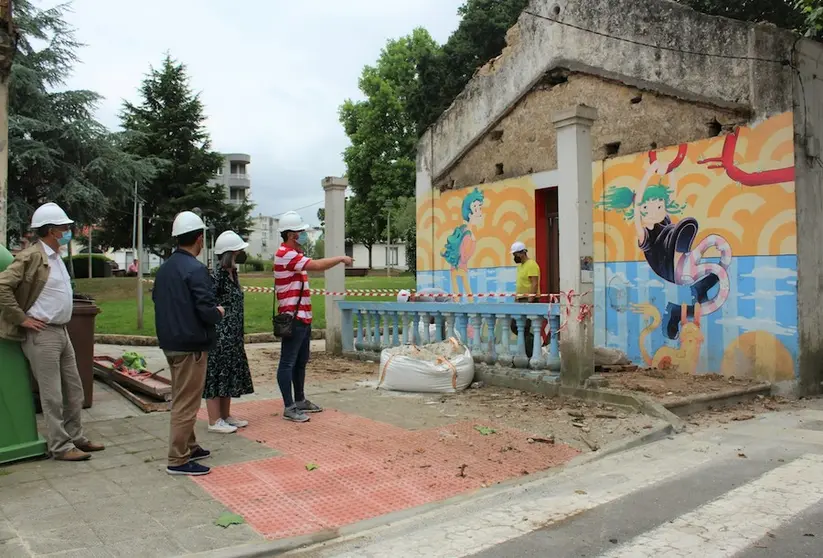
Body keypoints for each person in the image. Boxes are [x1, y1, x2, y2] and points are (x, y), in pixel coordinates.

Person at [0, 203, 105, 461]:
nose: (69, 230)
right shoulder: (32, 256)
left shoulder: (55, 256)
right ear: (51, 230)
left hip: (61, 330)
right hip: (41, 333)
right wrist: (21, 318)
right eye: (64, 227)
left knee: (74, 388)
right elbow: (2, 285)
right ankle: (60, 446)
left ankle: (75, 437)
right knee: (52, 394)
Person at [153, 211, 225, 476]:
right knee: (187, 403)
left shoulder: (165, 270)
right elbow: (206, 310)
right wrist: (218, 312)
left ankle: (190, 445)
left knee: (183, 395)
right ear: (199, 238)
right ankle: (178, 458)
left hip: (170, 342)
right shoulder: (195, 270)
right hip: (191, 345)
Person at [274, 211, 352, 422]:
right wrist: (340, 258)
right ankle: (289, 407)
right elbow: (317, 265)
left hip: (302, 318)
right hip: (294, 318)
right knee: (288, 362)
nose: (303, 235)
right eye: (300, 232)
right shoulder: (285, 254)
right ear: (292, 235)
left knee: (300, 361)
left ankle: (299, 400)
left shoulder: (292, 255)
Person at [203, 231, 254, 434]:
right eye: (238, 251)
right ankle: (214, 420)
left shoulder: (234, 273)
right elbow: (209, 301)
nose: (241, 253)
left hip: (234, 334)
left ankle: (226, 415)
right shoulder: (216, 275)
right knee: (216, 375)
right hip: (220, 334)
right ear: (229, 253)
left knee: (229, 374)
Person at [510, 241, 541, 359]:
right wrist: (516, 298)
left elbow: (534, 283)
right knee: (516, 327)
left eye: (515, 254)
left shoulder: (531, 265)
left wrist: (530, 299)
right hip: (520, 300)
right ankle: (531, 349)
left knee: (523, 327)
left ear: (522, 253)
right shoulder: (521, 267)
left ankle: (530, 352)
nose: (514, 257)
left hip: (528, 300)